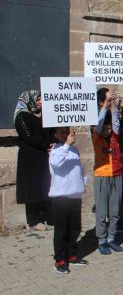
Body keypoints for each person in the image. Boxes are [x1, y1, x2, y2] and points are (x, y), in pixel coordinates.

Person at [48, 127, 88, 274]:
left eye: (68, 132)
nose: (66, 135)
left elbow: (78, 168)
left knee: (75, 228)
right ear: (56, 135)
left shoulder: (74, 149)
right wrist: (66, 145)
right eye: (62, 133)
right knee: (61, 230)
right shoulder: (56, 150)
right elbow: (56, 163)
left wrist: (83, 183)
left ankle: (72, 254)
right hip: (61, 195)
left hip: (75, 194)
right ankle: (60, 259)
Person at [14, 90, 54, 230]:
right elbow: (28, 136)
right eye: (37, 99)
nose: (39, 102)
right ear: (29, 100)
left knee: (45, 185)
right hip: (30, 158)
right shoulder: (21, 116)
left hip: (45, 155)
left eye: (40, 99)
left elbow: (51, 132)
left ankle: (48, 217)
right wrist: (47, 144)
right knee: (32, 189)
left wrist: (53, 144)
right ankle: (34, 220)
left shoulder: (44, 115)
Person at [92, 89, 123, 255]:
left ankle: (112, 238)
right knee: (102, 212)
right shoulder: (97, 137)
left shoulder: (115, 136)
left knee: (115, 211)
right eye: (105, 127)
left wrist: (114, 106)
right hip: (102, 175)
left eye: (109, 127)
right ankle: (101, 240)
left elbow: (117, 122)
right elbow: (98, 123)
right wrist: (105, 105)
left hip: (116, 174)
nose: (107, 129)